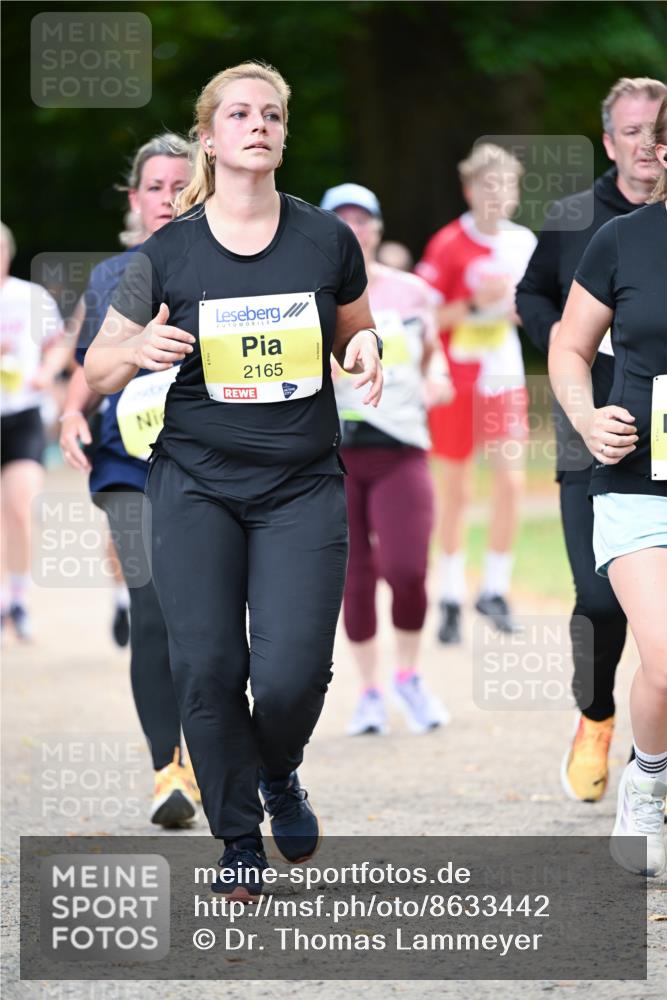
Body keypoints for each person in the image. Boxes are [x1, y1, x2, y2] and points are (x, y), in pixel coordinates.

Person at [84, 62, 382, 902]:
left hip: (301, 486)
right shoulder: (168, 252)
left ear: (284, 134)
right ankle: (239, 840)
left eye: (272, 114)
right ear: (209, 139)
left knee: (292, 675)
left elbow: (356, 330)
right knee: (208, 667)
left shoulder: (325, 239)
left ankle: (277, 770)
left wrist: (366, 349)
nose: (259, 125)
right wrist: (135, 350)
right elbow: (99, 366)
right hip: (196, 486)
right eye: (241, 114)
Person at [516, 76, 666, 804]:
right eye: (630, 132)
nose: (641, 144)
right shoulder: (585, 223)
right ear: (612, 142)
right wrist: (581, 343)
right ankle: (597, 716)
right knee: (601, 603)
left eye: (648, 129)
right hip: (607, 441)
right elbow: (535, 299)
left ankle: (649, 752)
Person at [59, 134, 200, 828]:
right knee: (150, 609)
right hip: (127, 463)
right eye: (154, 187)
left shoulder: (224, 262)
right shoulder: (113, 275)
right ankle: (167, 770)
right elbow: (90, 365)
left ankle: (215, 752)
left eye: (180, 185)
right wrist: (69, 414)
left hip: (208, 461)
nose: (167, 199)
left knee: (207, 615)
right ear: (134, 198)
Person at [321, 182, 451, 736]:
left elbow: (433, 357)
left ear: (377, 228)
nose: (354, 229)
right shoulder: (311, 294)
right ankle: (370, 692)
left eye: (362, 219)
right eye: (342, 220)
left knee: (407, 569)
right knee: (355, 577)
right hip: (336, 454)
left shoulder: (413, 293)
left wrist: (438, 379)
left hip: (401, 446)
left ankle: (408, 677)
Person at [415, 144, 536, 643]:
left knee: (511, 483)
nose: (497, 194)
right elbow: (425, 317)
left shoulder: (524, 243)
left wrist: (522, 310)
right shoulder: (448, 243)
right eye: (488, 185)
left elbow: (533, 310)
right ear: (469, 190)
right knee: (457, 491)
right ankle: (448, 595)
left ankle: (495, 589)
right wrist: (472, 303)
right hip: (456, 381)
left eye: (506, 185)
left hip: (502, 378)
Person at [0, 222, 69, 640]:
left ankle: (19, 599)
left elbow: (58, 344)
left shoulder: (30, 297)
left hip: (22, 414)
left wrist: (46, 372)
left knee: (20, 509)